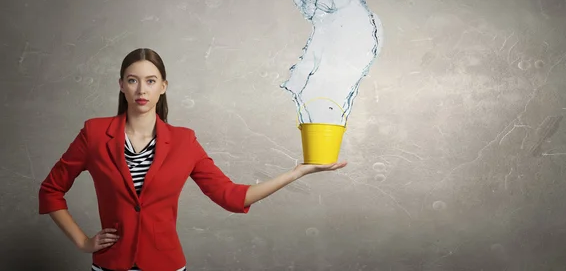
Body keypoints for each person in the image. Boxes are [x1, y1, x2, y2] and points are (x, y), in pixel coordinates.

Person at [38, 48, 347, 271]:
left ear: (163, 87)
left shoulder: (184, 141)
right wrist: (82, 242)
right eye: (133, 80)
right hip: (111, 264)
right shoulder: (94, 133)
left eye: (150, 80)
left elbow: (230, 196)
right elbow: (50, 190)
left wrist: (297, 172)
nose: (141, 89)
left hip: (166, 265)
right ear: (121, 85)